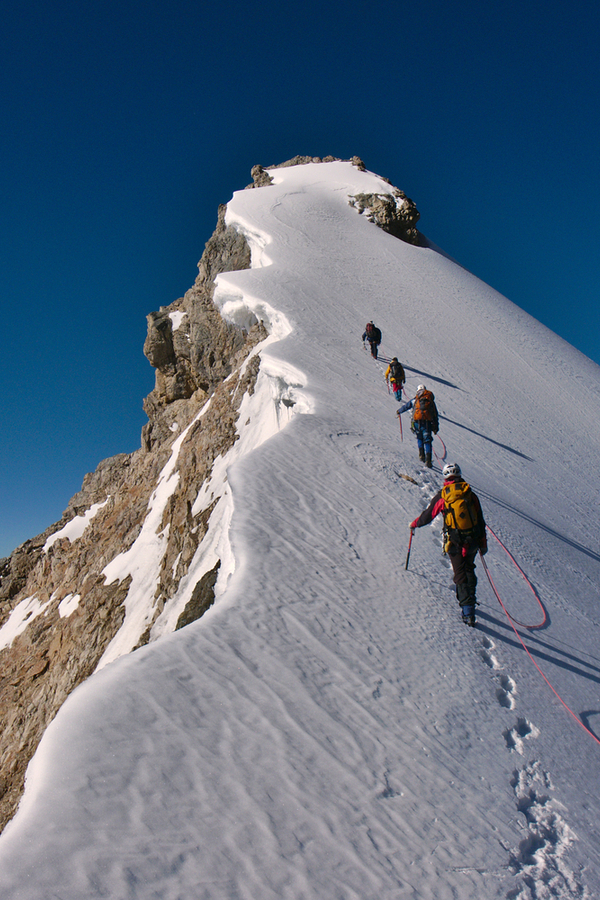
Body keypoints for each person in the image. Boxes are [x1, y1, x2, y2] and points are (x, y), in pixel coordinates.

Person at [409, 463, 488, 626]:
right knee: (469, 568)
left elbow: (428, 516)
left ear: (446, 477)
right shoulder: (470, 494)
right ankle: (469, 600)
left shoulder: (444, 496)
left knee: (460, 574)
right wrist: (483, 542)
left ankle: (468, 611)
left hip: (455, 542)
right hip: (473, 540)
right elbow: (480, 520)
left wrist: (414, 524)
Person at [397, 384, 439, 467]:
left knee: (419, 438)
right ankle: (428, 460)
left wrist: (399, 411)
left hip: (416, 423)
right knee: (427, 441)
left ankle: (421, 455)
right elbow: (435, 414)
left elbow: (406, 406)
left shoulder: (416, 400)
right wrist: (435, 427)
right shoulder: (430, 401)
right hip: (427, 423)